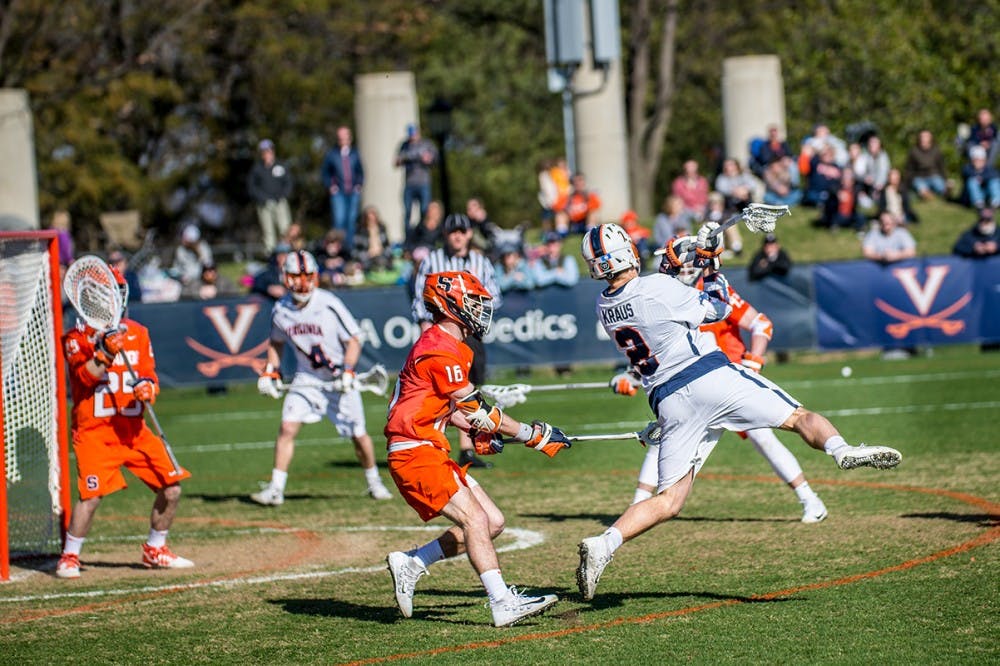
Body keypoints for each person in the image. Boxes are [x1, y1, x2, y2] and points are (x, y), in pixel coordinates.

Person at [574, 223, 902, 601]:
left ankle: (605, 543)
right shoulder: (657, 288)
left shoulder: (605, 306)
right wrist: (711, 264)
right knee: (796, 418)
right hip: (709, 377)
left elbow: (654, 299)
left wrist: (682, 264)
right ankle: (841, 450)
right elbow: (716, 309)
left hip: (669, 401)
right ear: (626, 253)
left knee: (670, 501)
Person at [384, 270, 569, 627]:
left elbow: (445, 408)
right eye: (474, 302)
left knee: (493, 522)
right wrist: (532, 434)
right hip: (415, 451)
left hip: (428, 446)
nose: (481, 310)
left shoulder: (447, 345)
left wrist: (480, 433)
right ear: (449, 304)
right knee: (476, 519)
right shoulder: (438, 347)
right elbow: (477, 409)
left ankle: (413, 563)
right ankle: (501, 602)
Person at [622, 249, 827, 522]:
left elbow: (761, 324)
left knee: (763, 437)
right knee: (663, 440)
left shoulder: (705, 290)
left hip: (724, 377)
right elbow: (652, 352)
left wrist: (753, 361)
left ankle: (809, 499)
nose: (678, 268)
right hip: (688, 384)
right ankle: (637, 506)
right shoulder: (658, 297)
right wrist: (630, 375)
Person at [56, 263, 193, 578]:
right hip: (96, 433)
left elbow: (149, 375)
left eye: (116, 293)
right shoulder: (77, 337)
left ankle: (155, 549)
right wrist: (103, 352)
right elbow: (83, 377)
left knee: (171, 489)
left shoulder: (138, 333)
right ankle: (70, 556)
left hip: (134, 431)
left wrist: (149, 388)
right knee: (90, 496)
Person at [253, 249, 392, 505]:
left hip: (339, 378)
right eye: (297, 276)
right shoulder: (281, 310)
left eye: (307, 276)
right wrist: (271, 370)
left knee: (357, 434)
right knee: (287, 427)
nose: (302, 283)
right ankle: (276, 488)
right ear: (286, 277)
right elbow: (276, 342)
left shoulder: (327, 302)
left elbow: (354, 338)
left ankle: (375, 482)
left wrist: (348, 369)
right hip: (306, 379)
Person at [411, 214, 502, 469]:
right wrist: (425, 328)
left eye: (462, 231)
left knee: (468, 388)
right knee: (444, 391)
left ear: (470, 233)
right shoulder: (433, 260)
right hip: (441, 333)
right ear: (446, 235)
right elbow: (420, 299)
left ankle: (466, 448)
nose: (458, 236)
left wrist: (475, 311)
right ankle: (433, 444)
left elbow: (495, 294)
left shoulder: (480, 261)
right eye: (453, 232)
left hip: (471, 332)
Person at [321, 125, 365, 248]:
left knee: (351, 221)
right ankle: (338, 247)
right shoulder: (332, 154)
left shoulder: (355, 153)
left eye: (344, 136)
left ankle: (349, 248)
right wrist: (331, 186)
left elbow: (360, 171)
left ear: (349, 138)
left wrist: (359, 185)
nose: (342, 139)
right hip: (338, 192)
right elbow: (325, 172)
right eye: (340, 137)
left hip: (353, 192)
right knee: (339, 220)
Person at [247, 139, 293, 254]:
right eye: (264, 152)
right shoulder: (257, 169)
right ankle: (271, 255)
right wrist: (263, 198)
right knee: (268, 232)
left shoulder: (281, 166)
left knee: (285, 229)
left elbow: (288, 183)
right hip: (264, 205)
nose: (267, 154)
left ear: (273, 151)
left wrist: (281, 196)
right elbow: (252, 187)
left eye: (269, 151)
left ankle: (287, 253)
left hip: (280, 203)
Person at [395, 124, 438, 230]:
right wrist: (407, 157)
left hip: (423, 182)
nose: (412, 137)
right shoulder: (404, 146)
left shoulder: (427, 144)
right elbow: (396, 162)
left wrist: (428, 159)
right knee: (407, 212)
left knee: (424, 210)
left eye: (414, 134)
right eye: (411, 135)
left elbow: (435, 159)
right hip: (409, 183)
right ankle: (408, 237)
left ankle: (423, 233)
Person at [903, 130, 948, 200]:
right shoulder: (914, 151)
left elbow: (941, 166)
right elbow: (909, 169)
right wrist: (908, 182)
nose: (924, 139)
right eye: (922, 137)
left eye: (926, 137)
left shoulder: (936, 150)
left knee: (940, 186)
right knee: (921, 187)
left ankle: (944, 191)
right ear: (919, 138)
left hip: (934, 175)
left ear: (931, 138)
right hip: (919, 177)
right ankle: (927, 194)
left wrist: (945, 179)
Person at [171, 224, 214, 289]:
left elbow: (208, 267)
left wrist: (199, 253)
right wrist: (180, 276)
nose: (183, 240)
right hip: (183, 283)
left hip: (201, 282)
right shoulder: (180, 250)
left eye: (186, 239)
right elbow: (176, 268)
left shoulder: (203, 248)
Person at [352, 205, 393, 273]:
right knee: (366, 265)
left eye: (374, 219)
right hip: (366, 258)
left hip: (381, 256)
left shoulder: (382, 228)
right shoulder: (360, 230)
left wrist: (382, 252)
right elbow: (355, 252)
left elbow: (388, 246)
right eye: (369, 219)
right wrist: (367, 254)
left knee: (385, 263)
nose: (372, 221)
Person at [961, 145, 1000, 210]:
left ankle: (996, 201)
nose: (978, 161)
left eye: (980, 159)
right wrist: (979, 177)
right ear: (972, 160)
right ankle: (978, 203)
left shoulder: (989, 169)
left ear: (984, 160)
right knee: (972, 181)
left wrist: (982, 177)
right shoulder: (967, 168)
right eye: (976, 159)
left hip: (986, 193)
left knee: (994, 182)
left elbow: (996, 175)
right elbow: (966, 173)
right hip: (969, 196)